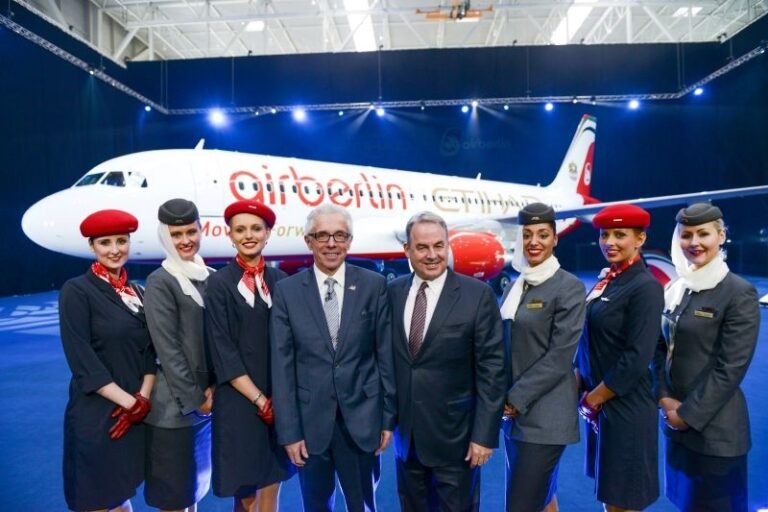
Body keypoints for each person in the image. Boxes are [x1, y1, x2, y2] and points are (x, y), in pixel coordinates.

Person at [270, 204, 396, 512]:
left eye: (339, 235)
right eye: (322, 235)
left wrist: (387, 419)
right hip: (309, 425)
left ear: (349, 241)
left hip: (362, 422)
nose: (331, 243)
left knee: (363, 506)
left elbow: (385, 356)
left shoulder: (374, 285)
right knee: (315, 506)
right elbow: (282, 367)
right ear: (308, 241)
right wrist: (289, 432)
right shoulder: (287, 291)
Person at [387, 211, 506, 511]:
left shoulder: (477, 295)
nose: (432, 255)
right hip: (407, 441)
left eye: (439, 246)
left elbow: (492, 371)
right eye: (422, 247)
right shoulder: (392, 293)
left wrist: (484, 436)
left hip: (457, 442)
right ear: (407, 250)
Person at [652, 203, 759, 512]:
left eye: (703, 234)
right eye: (686, 235)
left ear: (721, 236)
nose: (694, 242)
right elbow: (660, 348)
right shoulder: (678, 288)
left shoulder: (738, 292)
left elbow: (731, 368)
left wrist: (686, 414)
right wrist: (663, 397)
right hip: (676, 427)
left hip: (715, 434)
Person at [58, 209, 156, 512]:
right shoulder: (77, 290)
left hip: (136, 412)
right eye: (104, 242)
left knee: (122, 492)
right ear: (92, 246)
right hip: (99, 414)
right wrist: (130, 403)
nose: (115, 249)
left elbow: (150, 351)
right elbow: (82, 361)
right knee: (98, 500)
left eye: (121, 241)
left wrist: (143, 399)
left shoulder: (138, 292)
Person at [205, 200, 295, 512]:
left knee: (272, 483)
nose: (248, 235)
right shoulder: (218, 283)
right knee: (245, 495)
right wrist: (260, 400)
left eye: (256, 229)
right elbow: (222, 350)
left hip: (278, 399)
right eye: (240, 230)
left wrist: (280, 398)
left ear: (268, 233)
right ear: (230, 235)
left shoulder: (281, 281)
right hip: (239, 402)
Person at [574, 203, 662, 512]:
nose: (609, 242)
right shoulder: (610, 279)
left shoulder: (645, 287)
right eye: (604, 234)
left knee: (624, 500)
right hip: (603, 406)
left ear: (640, 239)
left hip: (625, 407)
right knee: (611, 496)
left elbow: (637, 358)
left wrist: (592, 399)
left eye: (620, 235)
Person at [499, 203, 585, 512]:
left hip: (544, 419)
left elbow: (560, 356)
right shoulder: (516, 286)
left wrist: (513, 399)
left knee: (521, 505)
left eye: (543, 234)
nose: (534, 242)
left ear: (555, 238)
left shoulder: (568, 287)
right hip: (515, 419)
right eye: (527, 234)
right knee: (541, 500)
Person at [143, 199, 214, 512]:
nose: (185, 240)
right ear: (165, 236)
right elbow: (167, 349)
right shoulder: (161, 281)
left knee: (193, 492)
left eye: (191, 231)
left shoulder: (209, 275)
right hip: (174, 411)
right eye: (176, 234)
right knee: (174, 498)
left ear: (201, 230)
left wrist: (214, 391)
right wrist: (197, 399)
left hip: (205, 406)